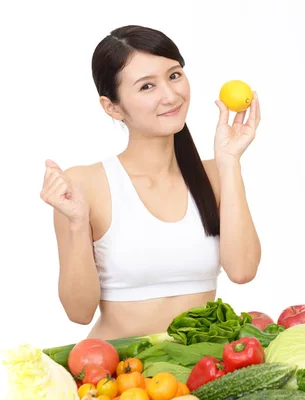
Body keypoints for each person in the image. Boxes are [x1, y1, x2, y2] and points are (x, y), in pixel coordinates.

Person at [39, 25, 261, 340]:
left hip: (199, 373)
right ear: (112, 107)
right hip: (118, 376)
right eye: (146, 86)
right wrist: (77, 223)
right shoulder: (84, 184)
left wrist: (229, 162)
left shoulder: (215, 174)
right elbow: (79, 312)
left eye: (174, 75)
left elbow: (242, 272)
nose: (171, 96)